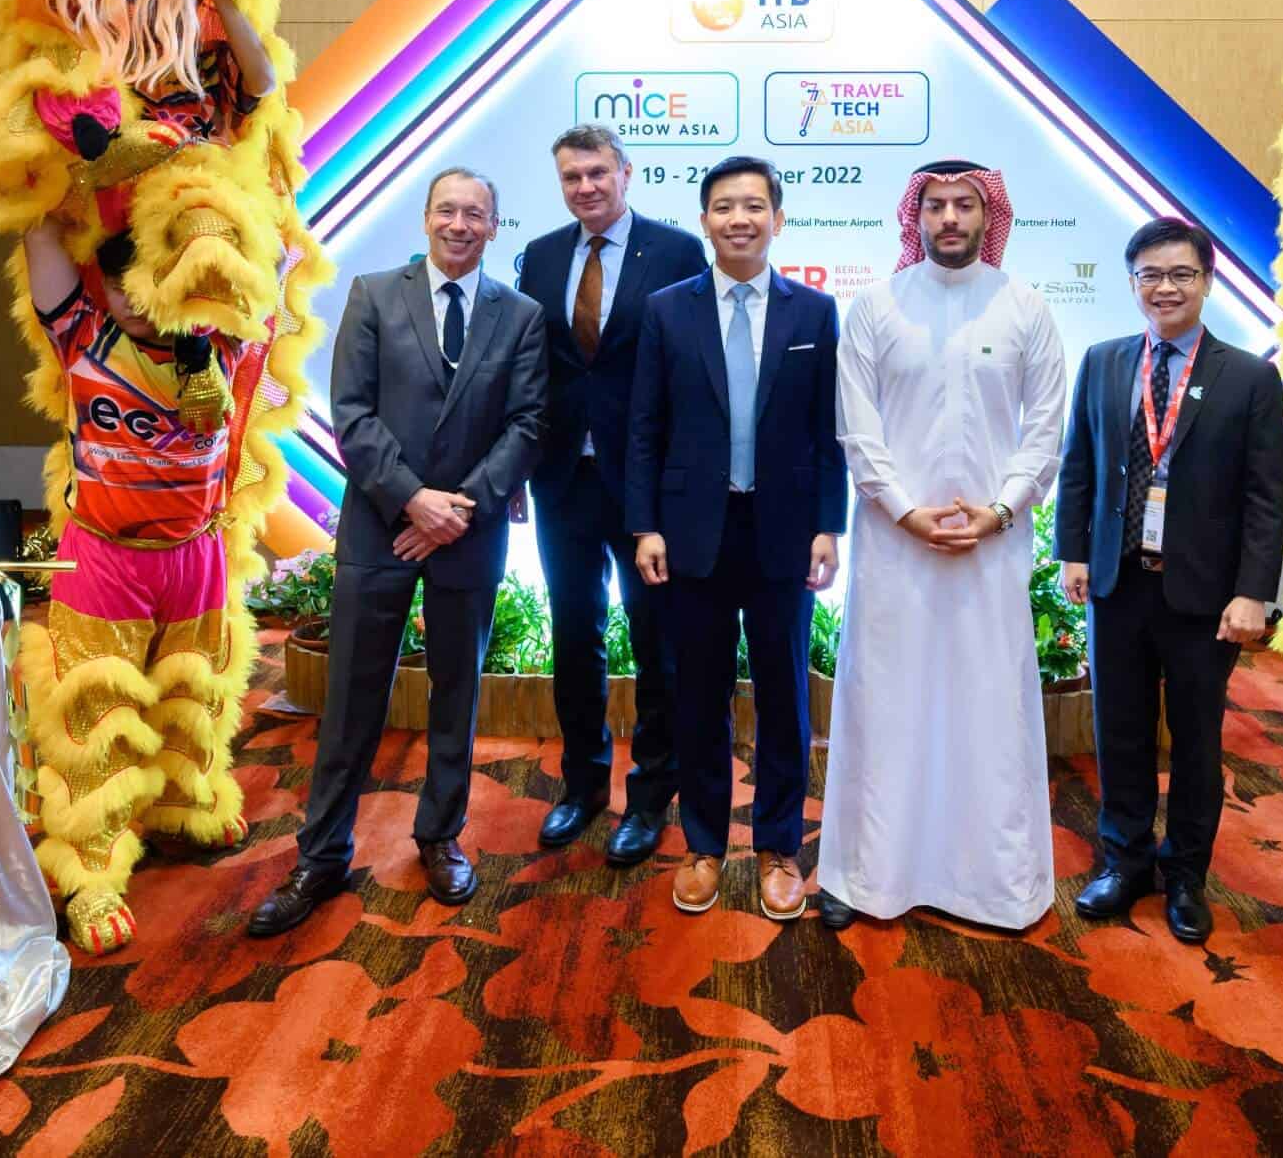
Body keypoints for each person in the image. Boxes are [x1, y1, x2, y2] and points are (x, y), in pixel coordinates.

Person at [250, 169, 545, 934]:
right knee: (351, 697)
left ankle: (440, 834)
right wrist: (413, 499)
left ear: (493, 225)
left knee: (457, 695)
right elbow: (352, 413)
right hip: (380, 526)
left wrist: (457, 510)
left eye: (475, 212)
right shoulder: (375, 294)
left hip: (469, 537)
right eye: (447, 209)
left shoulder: (521, 316)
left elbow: (527, 425)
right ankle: (321, 854)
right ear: (425, 219)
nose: (459, 223)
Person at [818, 160, 1067, 932]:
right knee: (886, 701)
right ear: (915, 215)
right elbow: (856, 430)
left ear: (986, 213)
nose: (950, 217)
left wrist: (997, 510)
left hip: (991, 547)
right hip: (896, 548)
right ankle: (867, 873)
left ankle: (996, 883)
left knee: (988, 705)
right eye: (936, 204)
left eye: (965, 204)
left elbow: (1046, 431)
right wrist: (904, 511)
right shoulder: (875, 306)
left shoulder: (1025, 308)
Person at [20, 217, 262, 954]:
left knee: (197, 690)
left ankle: (178, 802)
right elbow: (36, 228)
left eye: (148, 280)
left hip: (196, 550)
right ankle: (91, 870)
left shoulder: (226, 343)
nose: (133, 298)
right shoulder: (82, 335)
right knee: (95, 706)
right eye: (118, 283)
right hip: (106, 552)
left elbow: (263, 239)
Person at [1056, 218, 1283, 943]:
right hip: (1119, 581)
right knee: (1119, 731)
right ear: (1132, 284)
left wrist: (1253, 590)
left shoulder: (1248, 375)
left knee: (1194, 739)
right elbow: (1080, 465)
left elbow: (1265, 495)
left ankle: (1185, 872)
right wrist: (1072, 551)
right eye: (1151, 275)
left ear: (1207, 280)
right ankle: (1124, 861)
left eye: (1181, 274)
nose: (1165, 287)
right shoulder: (1101, 361)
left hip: (1204, 592)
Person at [626, 156, 846, 920]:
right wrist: (645, 523)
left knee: (786, 695)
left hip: (782, 533)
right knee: (698, 694)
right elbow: (645, 426)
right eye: (724, 206)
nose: (740, 219)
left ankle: (780, 845)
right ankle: (704, 845)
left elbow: (829, 432)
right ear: (705, 220)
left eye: (755, 205)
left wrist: (829, 523)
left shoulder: (815, 313)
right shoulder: (667, 309)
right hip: (692, 533)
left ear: (778, 219)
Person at [517, 125, 707, 863]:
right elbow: (528, 370)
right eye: (572, 177)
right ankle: (583, 784)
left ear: (626, 172)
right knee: (575, 634)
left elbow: (693, 376)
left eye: (597, 172)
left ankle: (652, 793)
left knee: (655, 640)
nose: (585, 186)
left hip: (647, 487)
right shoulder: (539, 255)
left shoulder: (678, 253)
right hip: (563, 476)